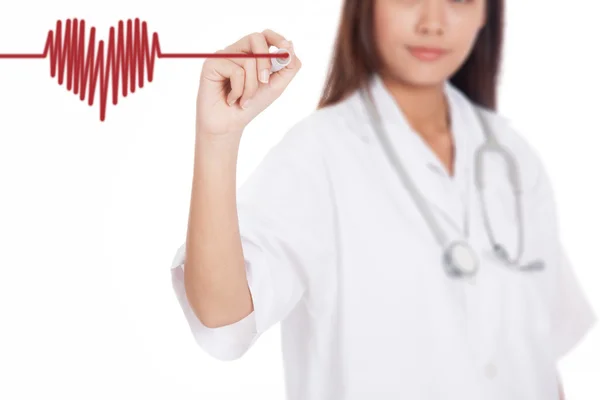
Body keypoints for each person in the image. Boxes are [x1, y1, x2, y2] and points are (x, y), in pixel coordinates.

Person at [169, 0, 597, 398]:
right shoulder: (320, 154)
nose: (433, 21)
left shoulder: (511, 155)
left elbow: (540, 355)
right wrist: (218, 139)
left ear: (487, 13)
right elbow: (222, 318)